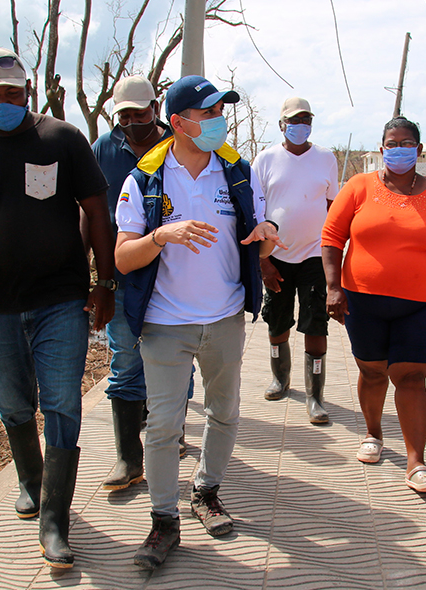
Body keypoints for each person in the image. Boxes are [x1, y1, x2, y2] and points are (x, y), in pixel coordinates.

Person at [0, 47, 115, 569]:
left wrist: (106, 282)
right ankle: (32, 484)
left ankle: (56, 520)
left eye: (12, 93)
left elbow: (96, 211)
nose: (3, 102)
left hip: (61, 298)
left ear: (28, 92)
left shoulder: (62, 139)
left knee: (61, 404)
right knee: (13, 406)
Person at [115, 75, 283, 570]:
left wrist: (268, 233)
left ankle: (206, 491)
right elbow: (124, 259)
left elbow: (257, 236)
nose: (218, 122)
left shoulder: (236, 171)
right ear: (178, 122)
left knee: (224, 412)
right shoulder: (144, 179)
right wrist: (162, 235)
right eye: (208, 114)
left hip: (226, 318)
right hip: (165, 323)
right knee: (163, 425)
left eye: (219, 112)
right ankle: (163, 522)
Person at [323, 116, 426, 493]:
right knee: (372, 372)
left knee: (411, 377)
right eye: (391, 143)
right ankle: (373, 434)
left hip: (420, 305)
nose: (398, 149)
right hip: (362, 300)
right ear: (382, 149)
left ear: (418, 149)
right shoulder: (359, 186)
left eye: (406, 143)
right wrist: (333, 288)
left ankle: (416, 463)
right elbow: (332, 237)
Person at [91, 75, 191, 492]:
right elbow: (91, 212)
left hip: (173, 273)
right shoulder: (103, 150)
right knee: (125, 361)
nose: (133, 122)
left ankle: (171, 432)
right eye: (125, 116)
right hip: (124, 271)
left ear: (157, 110)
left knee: (178, 359)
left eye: (141, 113)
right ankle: (128, 458)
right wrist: (98, 280)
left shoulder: (178, 145)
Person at [252, 96, 339, 424]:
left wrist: (336, 259)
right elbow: (256, 212)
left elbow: (334, 210)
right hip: (276, 256)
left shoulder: (325, 159)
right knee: (277, 320)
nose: (300, 125)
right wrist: (263, 262)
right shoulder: (265, 160)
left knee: (316, 323)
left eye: (306, 120)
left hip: (315, 255)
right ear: (281, 125)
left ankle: (315, 396)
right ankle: (280, 378)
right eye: (294, 120)